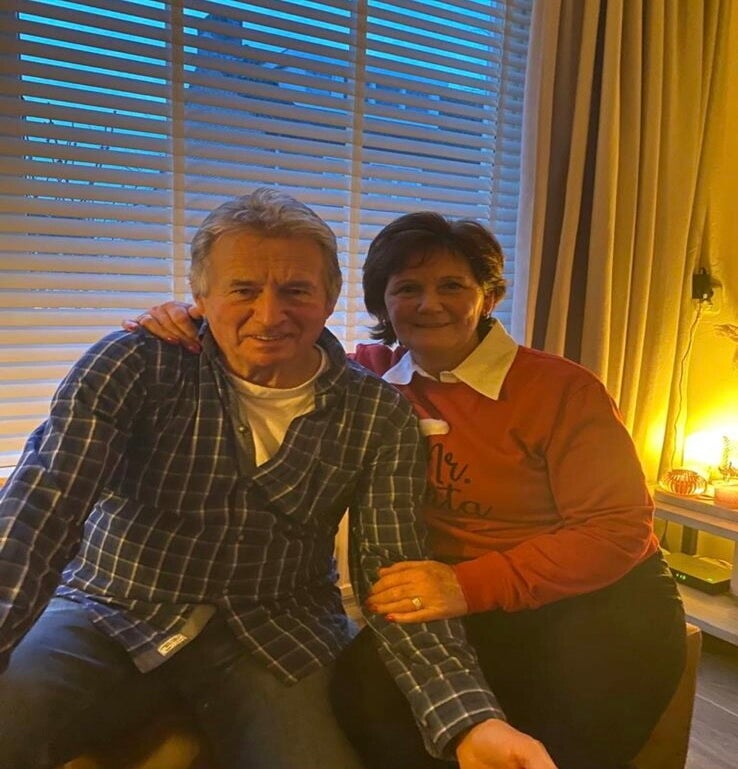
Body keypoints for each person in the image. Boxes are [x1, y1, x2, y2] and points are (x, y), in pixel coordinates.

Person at [0, 190, 557, 769]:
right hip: (108, 610)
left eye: (296, 291)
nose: (269, 315)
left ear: (330, 297)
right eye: (242, 290)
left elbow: (393, 572)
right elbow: (40, 511)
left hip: (278, 635)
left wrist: (470, 720)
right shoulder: (134, 364)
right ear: (200, 295)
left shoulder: (377, 413)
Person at [124, 210, 686, 769]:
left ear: (488, 297)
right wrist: (188, 322)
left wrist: (468, 585)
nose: (429, 304)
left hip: (590, 598)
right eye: (408, 288)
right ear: (382, 304)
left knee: (560, 746)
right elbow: (271, 343)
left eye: (452, 286)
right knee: (363, 695)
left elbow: (617, 531)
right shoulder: (365, 379)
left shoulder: (561, 389)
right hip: (450, 597)